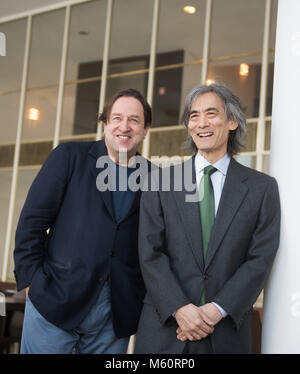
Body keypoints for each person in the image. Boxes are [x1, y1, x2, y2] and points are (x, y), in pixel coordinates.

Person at [134, 82, 281, 354]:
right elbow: (150, 253)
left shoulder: (262, 189)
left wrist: (217, 309)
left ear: (233, 122)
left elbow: (259, 258)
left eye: (211, 114)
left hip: (225, 332)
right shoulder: (161, 182)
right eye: (194, 115)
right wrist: (179, 308)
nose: (201, 123)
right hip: (166, 330)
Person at [14, 88, 152, 354]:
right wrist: (32, 281)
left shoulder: (153, 177)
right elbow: (32, 221)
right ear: (105, 125)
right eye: (117, 118)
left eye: (134, 120)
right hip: (55, 300)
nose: (125, 126)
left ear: (145, 129)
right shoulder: (69, 157)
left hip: (114, 315)